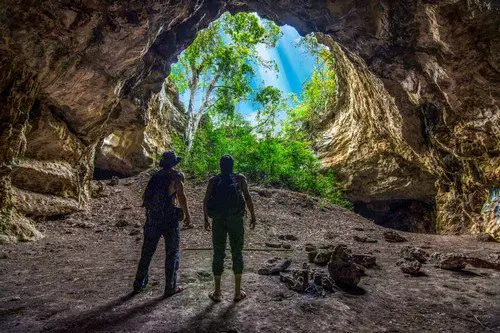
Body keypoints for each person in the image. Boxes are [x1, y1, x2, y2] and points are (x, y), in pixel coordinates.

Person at [133, 151, 192, 297]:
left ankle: (139, 284)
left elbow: (145, 197)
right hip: (169, 219)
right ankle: (170, 287)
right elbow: (181, 196)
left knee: (147, 252)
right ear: (174, 163)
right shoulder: (176, 176)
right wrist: (187, 215)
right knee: (172, 253)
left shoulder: (155, 177)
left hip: (153, 218)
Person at [203, 154, 256, 302]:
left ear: (220, 165)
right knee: (237, 252)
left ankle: (218, 292)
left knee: (218, 253)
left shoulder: (214, 180)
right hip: (236, 220)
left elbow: (206, 200)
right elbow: (247, 197)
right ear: (232, 165)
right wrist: (253, 215)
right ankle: (237, 292)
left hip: (218, 220)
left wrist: (205, 219)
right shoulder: (240, 179)